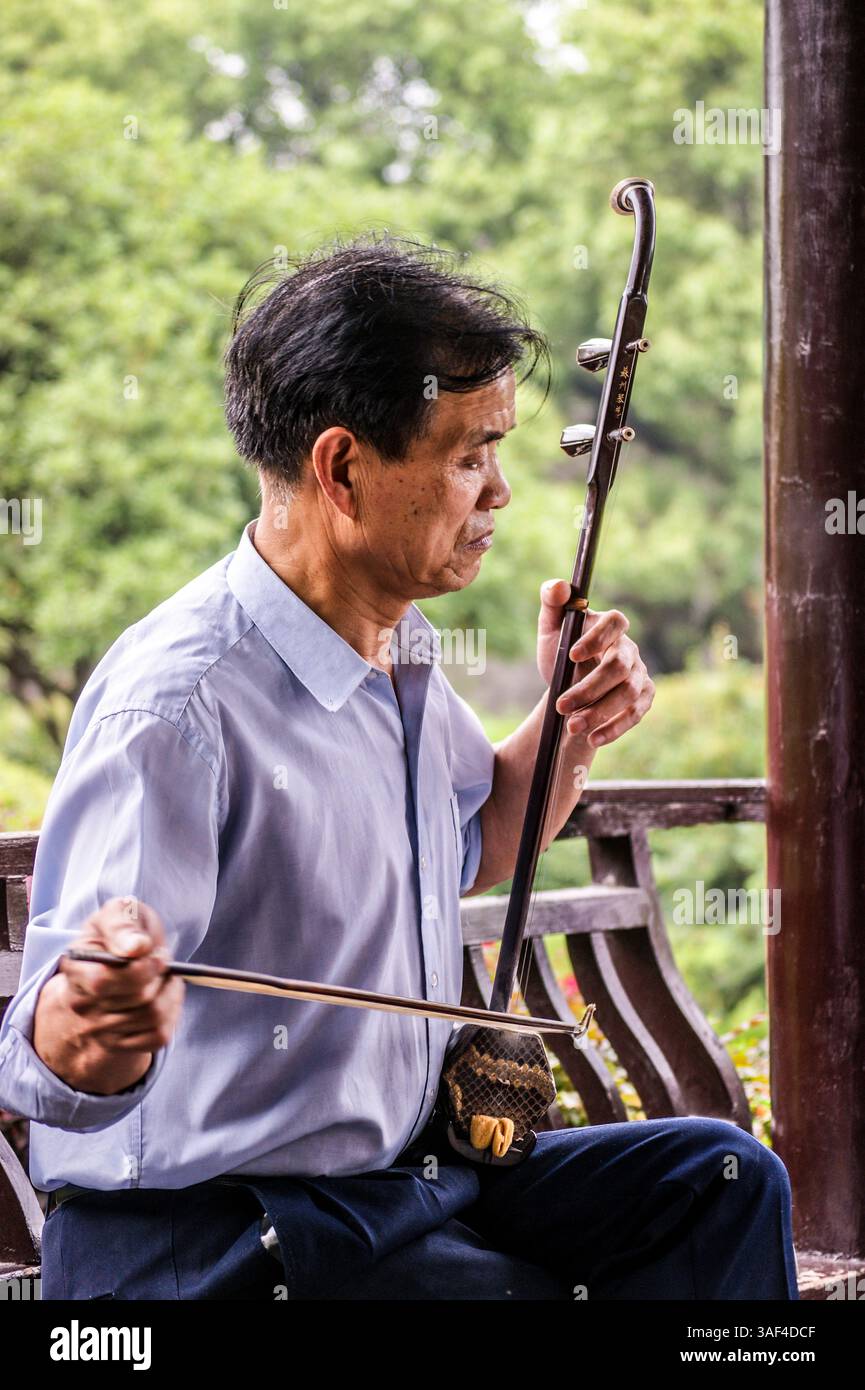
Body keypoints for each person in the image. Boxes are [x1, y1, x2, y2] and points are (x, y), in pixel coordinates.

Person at [0, 237, 798, 1300]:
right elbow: (42, 1053)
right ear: (342, 468)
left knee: (723, 1180)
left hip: (391, 1187)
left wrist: (571, 729)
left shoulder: (398, 651)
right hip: (208, 1236)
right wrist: (91, 1024)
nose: (500, 492)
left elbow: (473, 844)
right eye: (469, 455)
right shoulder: (180, 703)